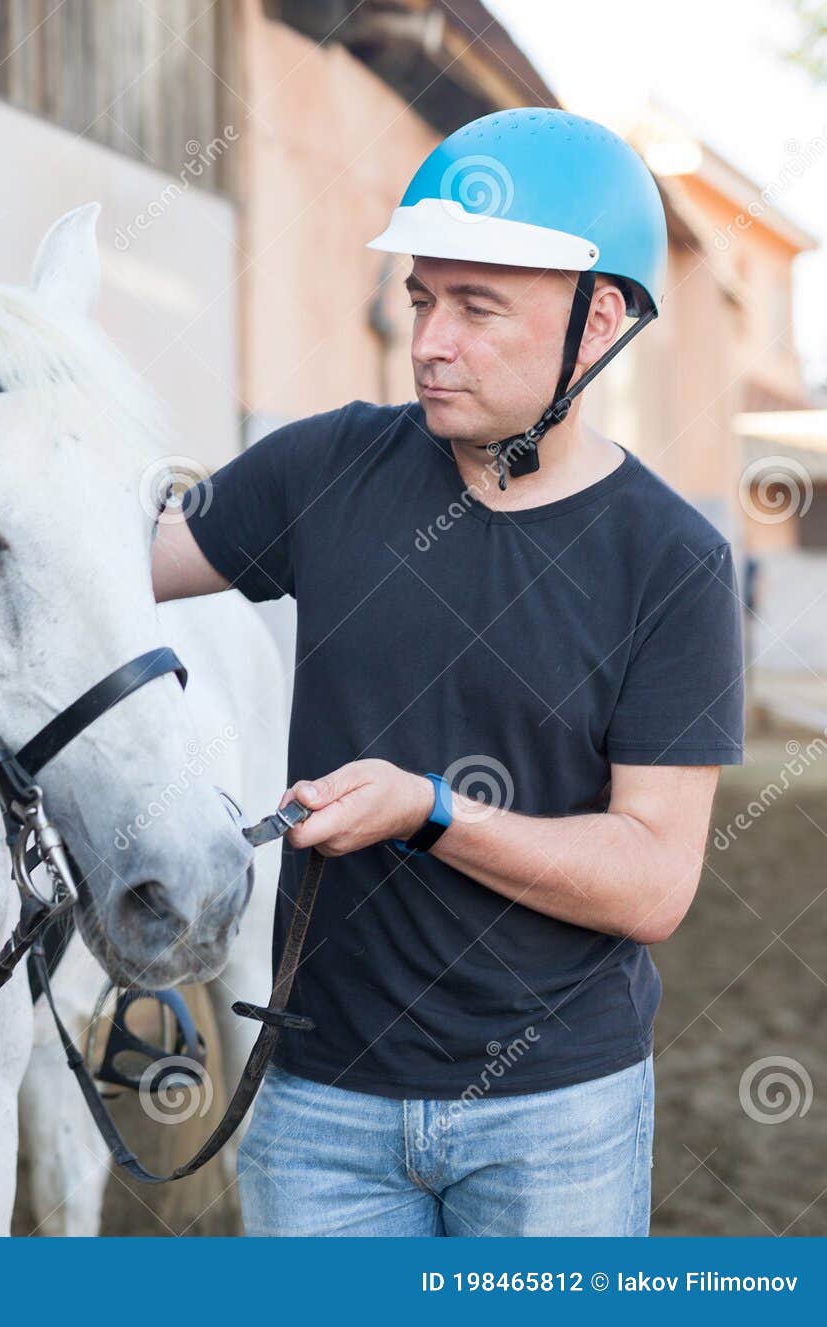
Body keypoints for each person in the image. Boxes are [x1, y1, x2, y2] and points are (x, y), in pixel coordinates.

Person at [153, 108, 746, 1236]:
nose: (429, 338)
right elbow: (101, 572)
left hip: (555, 1112)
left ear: (597, 321)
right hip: (317, 1100)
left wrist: (427, 811)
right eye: (423, 297)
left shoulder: (669, 561)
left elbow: (652, 880)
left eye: (478, 308)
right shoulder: (323, 466)